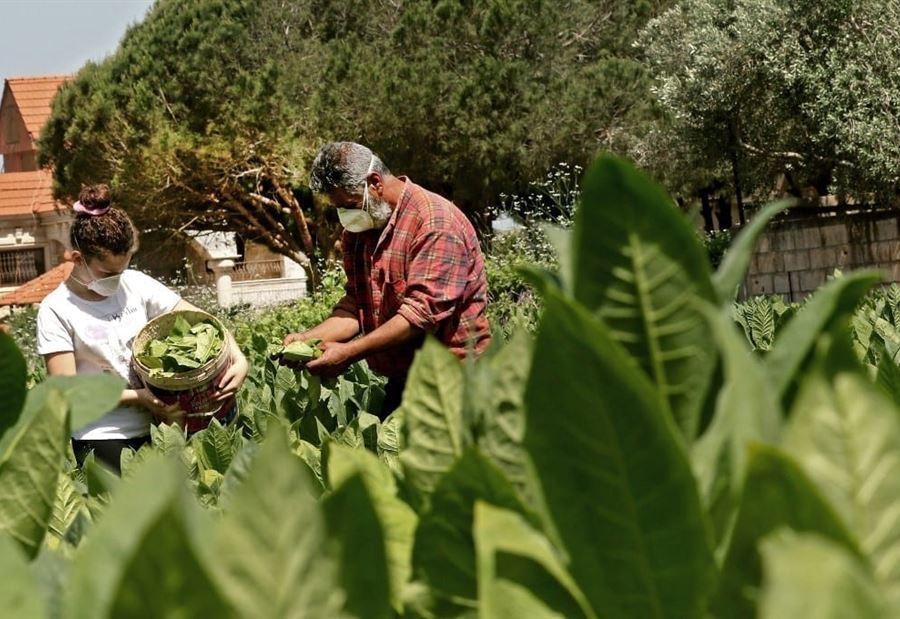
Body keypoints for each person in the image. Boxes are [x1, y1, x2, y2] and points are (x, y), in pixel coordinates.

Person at [36, 185, 249, 472]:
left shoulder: (135, 284)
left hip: (158, 427)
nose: (116, 280)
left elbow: (201, 320)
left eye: (122, 269)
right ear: (77, 259)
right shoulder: (56, 309)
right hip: (103, 436)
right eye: (107, 273)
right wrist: (141, 398)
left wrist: (237, 357)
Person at [283, 142, 491, 418]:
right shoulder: (361, 230)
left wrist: (347, 353)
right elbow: (357, 302)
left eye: (349, 205)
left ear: (375, 182)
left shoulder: (435, 223)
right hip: (406, 379)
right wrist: (308, 339)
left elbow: (420, 315)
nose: (345, 215)